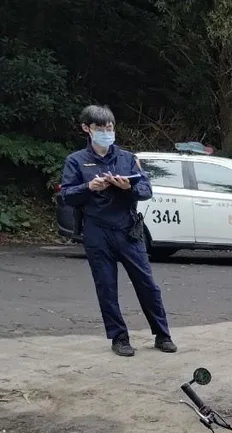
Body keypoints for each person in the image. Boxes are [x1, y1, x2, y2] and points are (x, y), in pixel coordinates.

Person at [60, 105, 177, 357]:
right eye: (100, 128)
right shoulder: (76, 160)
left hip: (127, 229)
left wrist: (128, 187)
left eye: (109, 128)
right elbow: (67, 196)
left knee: (147, 284)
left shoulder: (127, 158)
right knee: (106, 286)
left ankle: (162, 334)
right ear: (86, 129)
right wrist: (88, 186)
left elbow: (146, 190)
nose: (106, 132)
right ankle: (119, 337)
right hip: (96, 230)